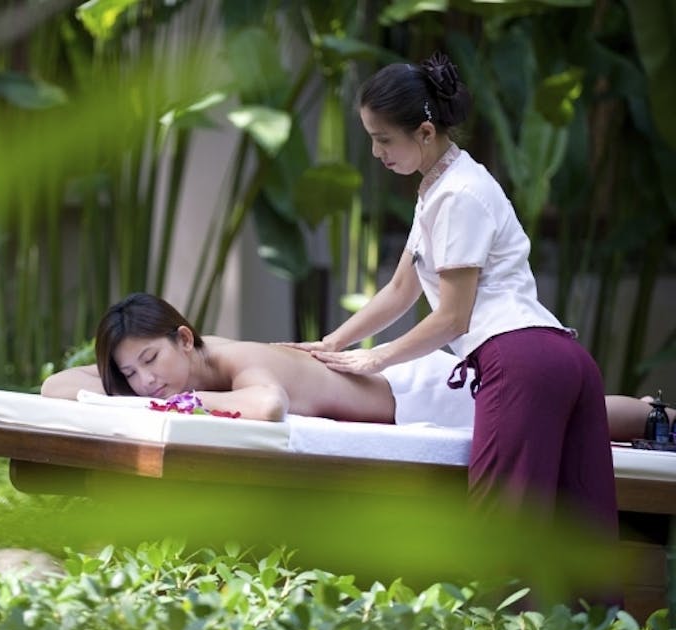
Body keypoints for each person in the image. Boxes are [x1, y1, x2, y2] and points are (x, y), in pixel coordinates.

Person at [281, 52, 617, 529]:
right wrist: (333, 343)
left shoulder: (459, 194)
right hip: (557, 356)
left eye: (383, 139)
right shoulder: (440, 188)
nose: (376, 152)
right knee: (579, 533)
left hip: (519, 361)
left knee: (498, 534)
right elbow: (401, 289)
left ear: (425, 132)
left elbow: (453, 318)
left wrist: (376, 358)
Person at [41, 292, 665, 441]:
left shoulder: (233, 361)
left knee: (574, 419)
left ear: (184, 338)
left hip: (420, 393)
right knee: (567, 419)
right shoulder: (182, 367)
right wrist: (121, 388)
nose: (146, 381)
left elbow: (266, 407)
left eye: (150, 360)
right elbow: (56, 385)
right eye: (130, 373)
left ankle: (656, 417)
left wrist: (161, 402)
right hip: (398, 390)